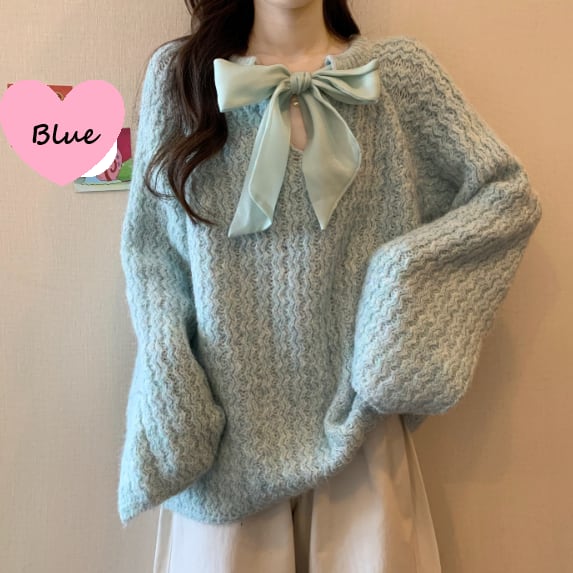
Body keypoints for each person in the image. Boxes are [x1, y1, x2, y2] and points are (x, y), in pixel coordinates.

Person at [116, 0, 542, 571]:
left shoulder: (397, 78)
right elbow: (151, 253)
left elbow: (506, 196)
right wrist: (173, 381)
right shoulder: (183, 79)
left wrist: (399, 282)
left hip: (361, 438)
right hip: (223, 448)